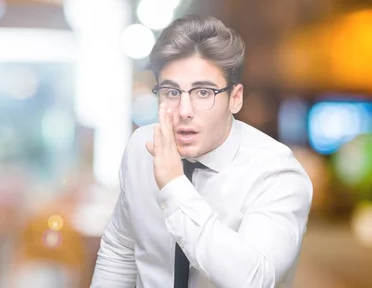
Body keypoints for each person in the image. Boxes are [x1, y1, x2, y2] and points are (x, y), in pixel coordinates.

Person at [90, 14, 312, 288]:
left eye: (203, 92)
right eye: (171, 92)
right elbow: (119, 249)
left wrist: (174, 186)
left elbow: (256, 280)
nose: (184, 111)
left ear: (235, 98)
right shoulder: (141, 148)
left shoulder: (276, 172)